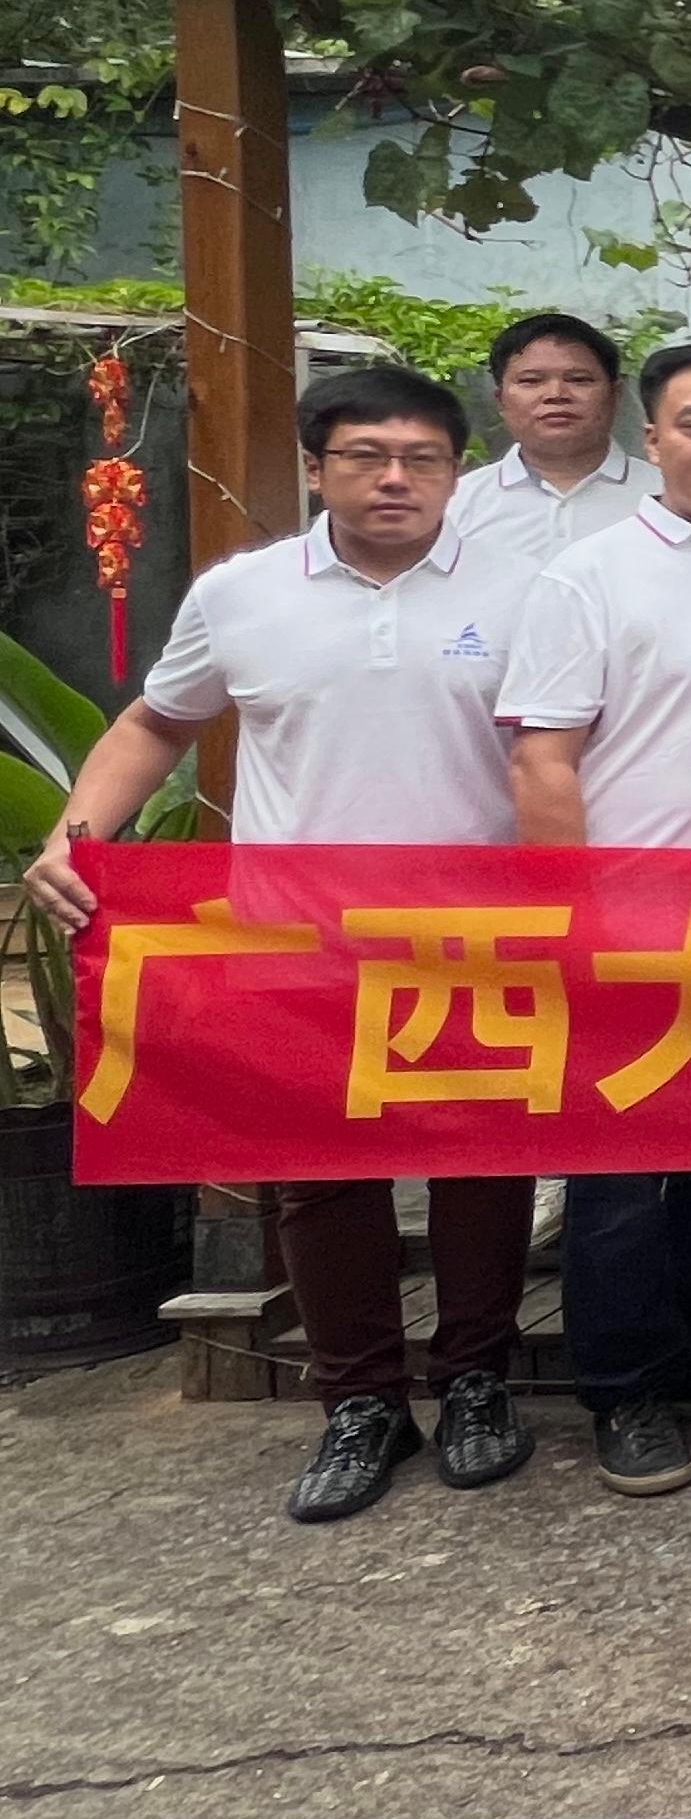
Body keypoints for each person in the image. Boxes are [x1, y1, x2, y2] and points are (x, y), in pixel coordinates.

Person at [24, 366, 540, 1525]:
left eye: (423, 458)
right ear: (316, 468)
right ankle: (360, 1402)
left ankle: (476, 1382)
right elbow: (157, 722)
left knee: (481, 1163)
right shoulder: (242, 594)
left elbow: (565, 754)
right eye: (366, 456)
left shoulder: (527, 591)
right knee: (318, 1175)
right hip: (296, 932)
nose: (396, 478)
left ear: (458, 472)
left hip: (474, 930)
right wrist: (74, 835)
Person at [496, 339, 691, 1502]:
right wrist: (573, 919)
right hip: (629, 918)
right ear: (652, 439)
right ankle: (622, 1388)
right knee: (616, 1174)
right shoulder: (592, 575)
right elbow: (543, 760)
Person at [442, 311, 651, 576]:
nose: (556, 395)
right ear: (500, 400)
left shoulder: (664, 497)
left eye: (579, 380)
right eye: (531, 381)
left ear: (615, 395)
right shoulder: (455, 503)